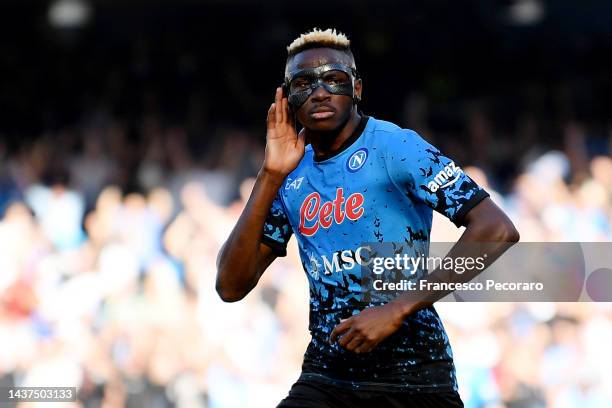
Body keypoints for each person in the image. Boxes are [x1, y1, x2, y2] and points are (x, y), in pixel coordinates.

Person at [216, 28, 519, 407]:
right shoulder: (289, 172)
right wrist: (270, 175)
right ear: (286, 98)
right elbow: (230, 286)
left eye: (335, 80)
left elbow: (498, 229)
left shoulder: (397, 146)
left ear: (357, 89)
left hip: (413, 376)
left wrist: (398, 308)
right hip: (327, 375)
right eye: (304, 83)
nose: (321, 91)